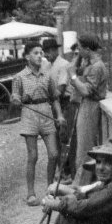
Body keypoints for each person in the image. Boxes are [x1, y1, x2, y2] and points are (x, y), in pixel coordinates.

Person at [11, 41, 64, 206]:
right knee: (33, 156)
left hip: (46, 113)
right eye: (36, 53)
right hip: (29, 115)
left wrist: (60, 115)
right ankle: (31, 194)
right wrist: (17, 100)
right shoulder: (19, 77)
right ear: (27, 56)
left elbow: (54, 97)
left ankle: (50, 189)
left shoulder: (47, 76)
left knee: (54, 154)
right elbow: (14, 99)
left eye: (41, 53)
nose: (40, 56)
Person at [68, 34, 108, 185]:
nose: (77, 51)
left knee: (84, 152)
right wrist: (79, 59)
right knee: (82, 150)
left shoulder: (97, 67)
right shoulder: (90, 64)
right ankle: (81, 184)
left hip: (91, 106)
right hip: (86, 106)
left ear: (87, 48)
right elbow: (74, 68)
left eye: (79, 48)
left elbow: (85, 91)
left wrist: (72, 77)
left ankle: (82, 186)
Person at [42, 38, 73, 181]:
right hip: (54, 105)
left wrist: (48, 97)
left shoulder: (64, 65)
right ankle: (62, 170)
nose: (46, 55)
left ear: (55, 50)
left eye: (48, 52)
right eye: (44, 52)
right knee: (55, 138)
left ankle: (67, 172)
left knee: (64, 137)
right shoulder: (47, 66)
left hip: (65, 104)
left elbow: (60, 89)